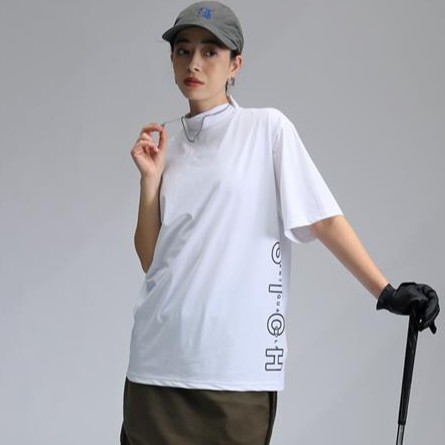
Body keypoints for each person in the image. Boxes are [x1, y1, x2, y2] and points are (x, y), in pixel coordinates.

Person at [121, 2, 440, 444]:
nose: (194, 63)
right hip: (155, 366)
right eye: (183, 50)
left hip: (234, 372)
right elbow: (150, 260)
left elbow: (323, 219)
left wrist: (386, 292)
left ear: (235, 64)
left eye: (210, 51)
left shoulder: (266, 130)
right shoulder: (166, 150)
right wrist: (150, 181)